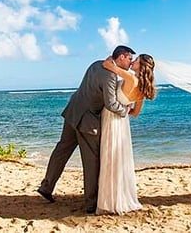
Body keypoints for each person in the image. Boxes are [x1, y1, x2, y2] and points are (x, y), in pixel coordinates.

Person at [37, 45, 135, 214]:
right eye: (129, 58)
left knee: (62, 150)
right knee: (92, 161)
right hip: (87, 120)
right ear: (121, 57)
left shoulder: (96, 64)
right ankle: (91, 204)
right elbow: (111, 103)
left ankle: (46, 187)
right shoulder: (111, 75)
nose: (131, 62)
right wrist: (125, 111)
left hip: (73, 111)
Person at [96, 53, 157, 215]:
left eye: (135, 61)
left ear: (141, 66)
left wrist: (113, 56)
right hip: (123, 123)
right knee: (119, 159)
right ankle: (120, 197)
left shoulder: (131, 78)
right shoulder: (143, 87)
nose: (132, 62)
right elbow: (135, 113)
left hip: (111, 118)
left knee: (109, 159)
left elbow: (108, 65)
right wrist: (125, 109)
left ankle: (109, 201)